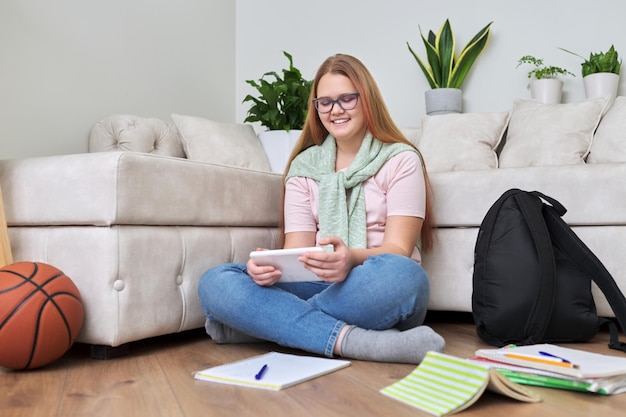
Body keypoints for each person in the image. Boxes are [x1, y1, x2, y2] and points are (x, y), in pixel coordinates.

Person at [198, 53, 444, 363]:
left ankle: (263, 326)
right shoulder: (304, 166)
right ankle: (357, 343)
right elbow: (298, 251)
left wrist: (351, 258)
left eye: (347, 99)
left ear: (367, 100)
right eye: (324, 102)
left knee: (405, 277)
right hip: (316, 280)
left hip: (371, 282)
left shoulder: (401, 158)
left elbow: (399, 248)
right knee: (216, 281)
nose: (335, 110)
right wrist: (272, 269)